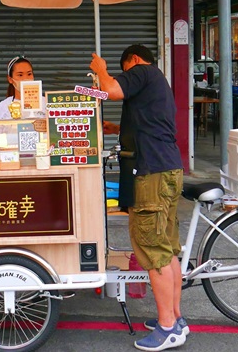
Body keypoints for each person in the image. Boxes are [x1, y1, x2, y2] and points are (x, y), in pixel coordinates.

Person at [90, 44, 187, 352]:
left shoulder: (142, 72)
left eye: (125, 72)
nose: (125, 77)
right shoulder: (159, 81)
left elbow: (111, 91)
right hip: (168, 169)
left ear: (133, 60)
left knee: (152, 249)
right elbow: (150, 125)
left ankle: (167, 328)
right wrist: (117, 128)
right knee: (167, 249)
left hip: (151, 173)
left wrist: (101, 70)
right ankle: (175, 318)